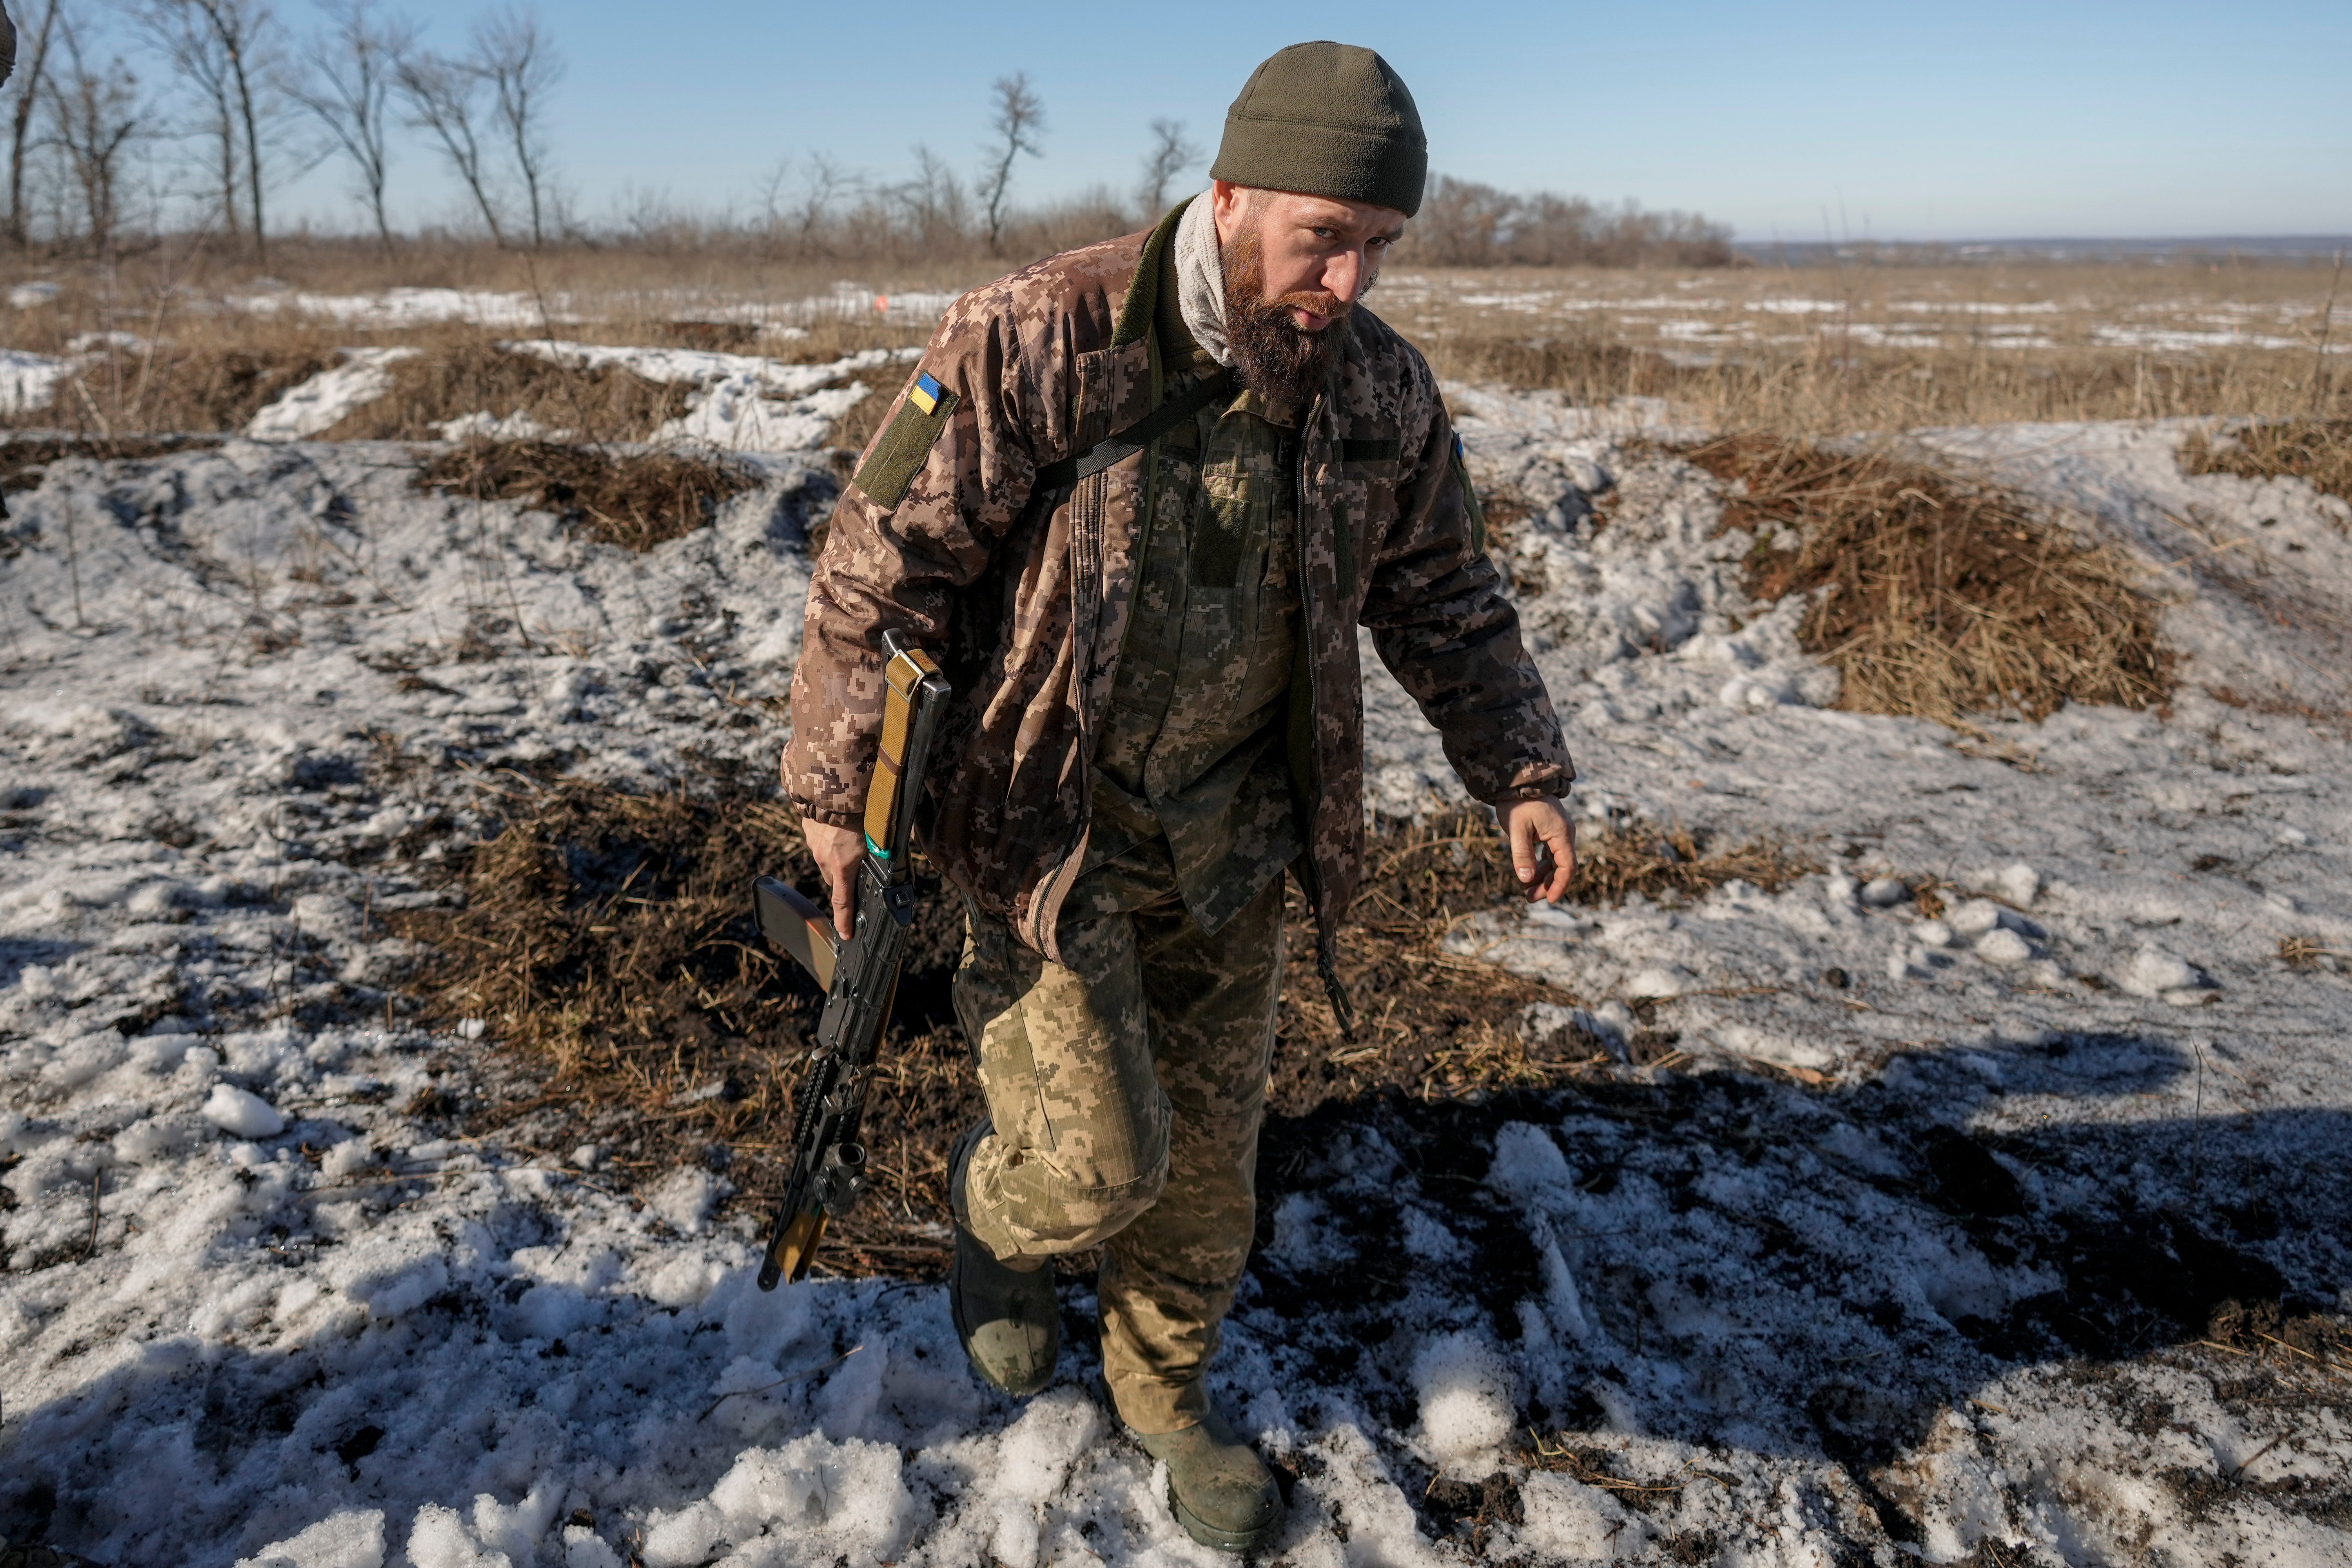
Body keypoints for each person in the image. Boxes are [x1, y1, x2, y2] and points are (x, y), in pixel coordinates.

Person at [782, 40, 1577, 1554]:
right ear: (1227, 199)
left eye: (1378, 248)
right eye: (1320, 239)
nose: (1345, 280)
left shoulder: (1377, 388)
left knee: (1208, 1183)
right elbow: (884, 560)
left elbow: (1444, 594)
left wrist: (1518, 770)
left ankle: (1166, 1398)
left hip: (1238, 838)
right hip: (1042, 833)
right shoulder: (1041, 332)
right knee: (1097, 1161)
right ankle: (1002, 1211)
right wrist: (835, 785)